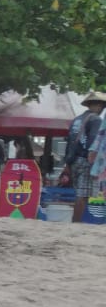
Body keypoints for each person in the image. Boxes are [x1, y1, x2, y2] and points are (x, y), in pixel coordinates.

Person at [66, 91, 104, 222]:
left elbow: (69, 141)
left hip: (74, 161)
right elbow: (93, 142)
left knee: (79, 193)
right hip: (86, 160)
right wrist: (95, 163)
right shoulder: (95, 119)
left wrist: (68, 163)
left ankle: (75, 220)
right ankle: (76, 221)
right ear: (98, 105)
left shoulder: (77, 120)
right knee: (83, 195)